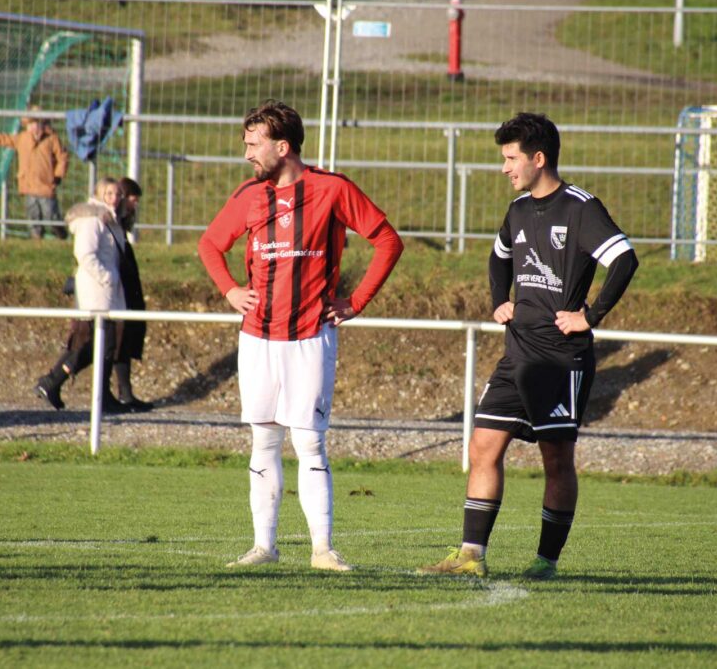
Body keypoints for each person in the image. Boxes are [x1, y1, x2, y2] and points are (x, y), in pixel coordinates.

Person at [419, 112, 638, 580]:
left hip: (561, 358)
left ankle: (545, 561)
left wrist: (590, 316)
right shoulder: (517, 210)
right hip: (516, 353)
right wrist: (500, 301)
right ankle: (470, 555)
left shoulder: (580, 208)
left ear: (539, 159)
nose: (505, 168)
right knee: (483, 446)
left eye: (511, 158)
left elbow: (623, 259)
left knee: (555, 459)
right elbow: (498, 258)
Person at [198, 100, 403, 572]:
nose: (247, 153)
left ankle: (322, 550)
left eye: (254, 144)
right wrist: (230, 289)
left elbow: (388, 241)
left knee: (309, 442)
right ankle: (263, 548)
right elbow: (210, 243)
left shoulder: (332, 188)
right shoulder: (248, 195)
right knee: (264, 440)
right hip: (257, 340)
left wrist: (356, 301)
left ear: (283, 146)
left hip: (311, 337)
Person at [34, 177, 129, 414]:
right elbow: (85, 254)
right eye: (108, 194)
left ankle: (85, 390)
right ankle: (53, 381)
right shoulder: (92, 219)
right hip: (97, 291)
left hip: (106, 291)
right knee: (99, 344)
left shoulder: (110, 219)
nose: (114, 198)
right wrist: (108, 277)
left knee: (104, 345)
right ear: (98, 195)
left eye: (117, 194)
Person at [0, 107, 69, 239]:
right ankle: (36, 238)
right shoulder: (22, 138)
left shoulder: (52, 139)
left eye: (37, 124)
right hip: (28, 186)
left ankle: (60, 234)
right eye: (30, 124)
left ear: (43, 124)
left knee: (51, 214)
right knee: (33, 215)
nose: (34, 128)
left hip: (46, 186)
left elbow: (62, 157)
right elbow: (3, 139)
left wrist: (58, 175)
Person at [112, 176, 153, 412]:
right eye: (133, 200)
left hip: (125, 288)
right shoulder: (111, 225)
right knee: (99, 343)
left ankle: (125, 393)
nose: (135, 206)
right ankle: (54, 379)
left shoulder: (120, 229)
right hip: (116, 289)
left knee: (122, 340)